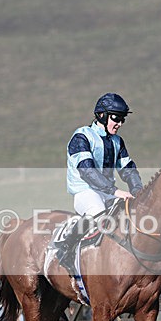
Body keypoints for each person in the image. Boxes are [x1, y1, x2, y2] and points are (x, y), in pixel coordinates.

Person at [60, 93, 143, 269]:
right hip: (85, 191)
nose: (120, 123)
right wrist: (114, 191)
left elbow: (128, 169)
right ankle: (65, 249)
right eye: (116, 118)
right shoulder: (82, 137)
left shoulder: (117, 141)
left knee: (130, 215)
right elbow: (87, 170)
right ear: (102, 115)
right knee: (99, 213)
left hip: (108, 192)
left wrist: (138, 191)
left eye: (122, 119)